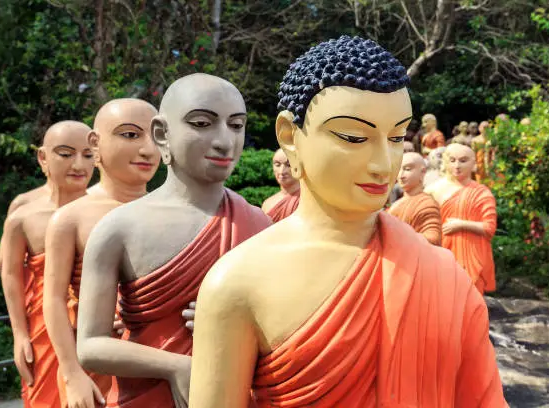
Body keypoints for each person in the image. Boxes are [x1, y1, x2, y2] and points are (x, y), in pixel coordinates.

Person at [188, 35, 506, 407]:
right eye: (354, 137)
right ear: (290, 136)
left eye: (396, 137)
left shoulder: (441, 275)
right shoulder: (237, 282)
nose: (383, 162)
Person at [76, 74, 271, 408]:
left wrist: (238, 322)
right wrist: (176, 366)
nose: (225, 141)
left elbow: (281, 323)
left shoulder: (259, 224)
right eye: (202, 123)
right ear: (162, 134)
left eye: (236, 125)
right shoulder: (119, 227)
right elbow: (91, 345)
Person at [43, 99, 160, 408]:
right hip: (94, 369)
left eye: (157, 135)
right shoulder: (71, 218)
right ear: (95, 143)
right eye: (131, 135)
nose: (148, 149)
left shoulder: (173, 212)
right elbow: (53, 299)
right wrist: (71, 372)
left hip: (163, 361)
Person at [1, 121, 95, 407]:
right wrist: (19, 333)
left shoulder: (107, 209)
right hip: (43, 327)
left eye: (89, 155)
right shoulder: (23, 214)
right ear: (43, 157)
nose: (78, 164)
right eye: (65, 154)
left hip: (96, 323)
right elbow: (10, 272)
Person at [426, 143, 497, 294]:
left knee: (470, 305)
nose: (457, 165)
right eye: (452, 160)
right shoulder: (433, 190)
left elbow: (489, 228)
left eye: (463, 161)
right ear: (445, 162)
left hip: (471, 257)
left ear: (473, 163)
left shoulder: (481, 193)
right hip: (440, 254)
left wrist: (462, 224)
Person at [388, 152, 441, 245]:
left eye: (407, 169)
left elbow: (433, 238)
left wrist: (401, 237)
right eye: (398, 169)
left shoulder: (426, 203)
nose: (401, 175)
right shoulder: (397, 204)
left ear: (423, 172)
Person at [261, 148, 300, 222]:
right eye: (277, 165)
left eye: (288, 165)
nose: (282, 171)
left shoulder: (307, 200)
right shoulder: (267, 203)